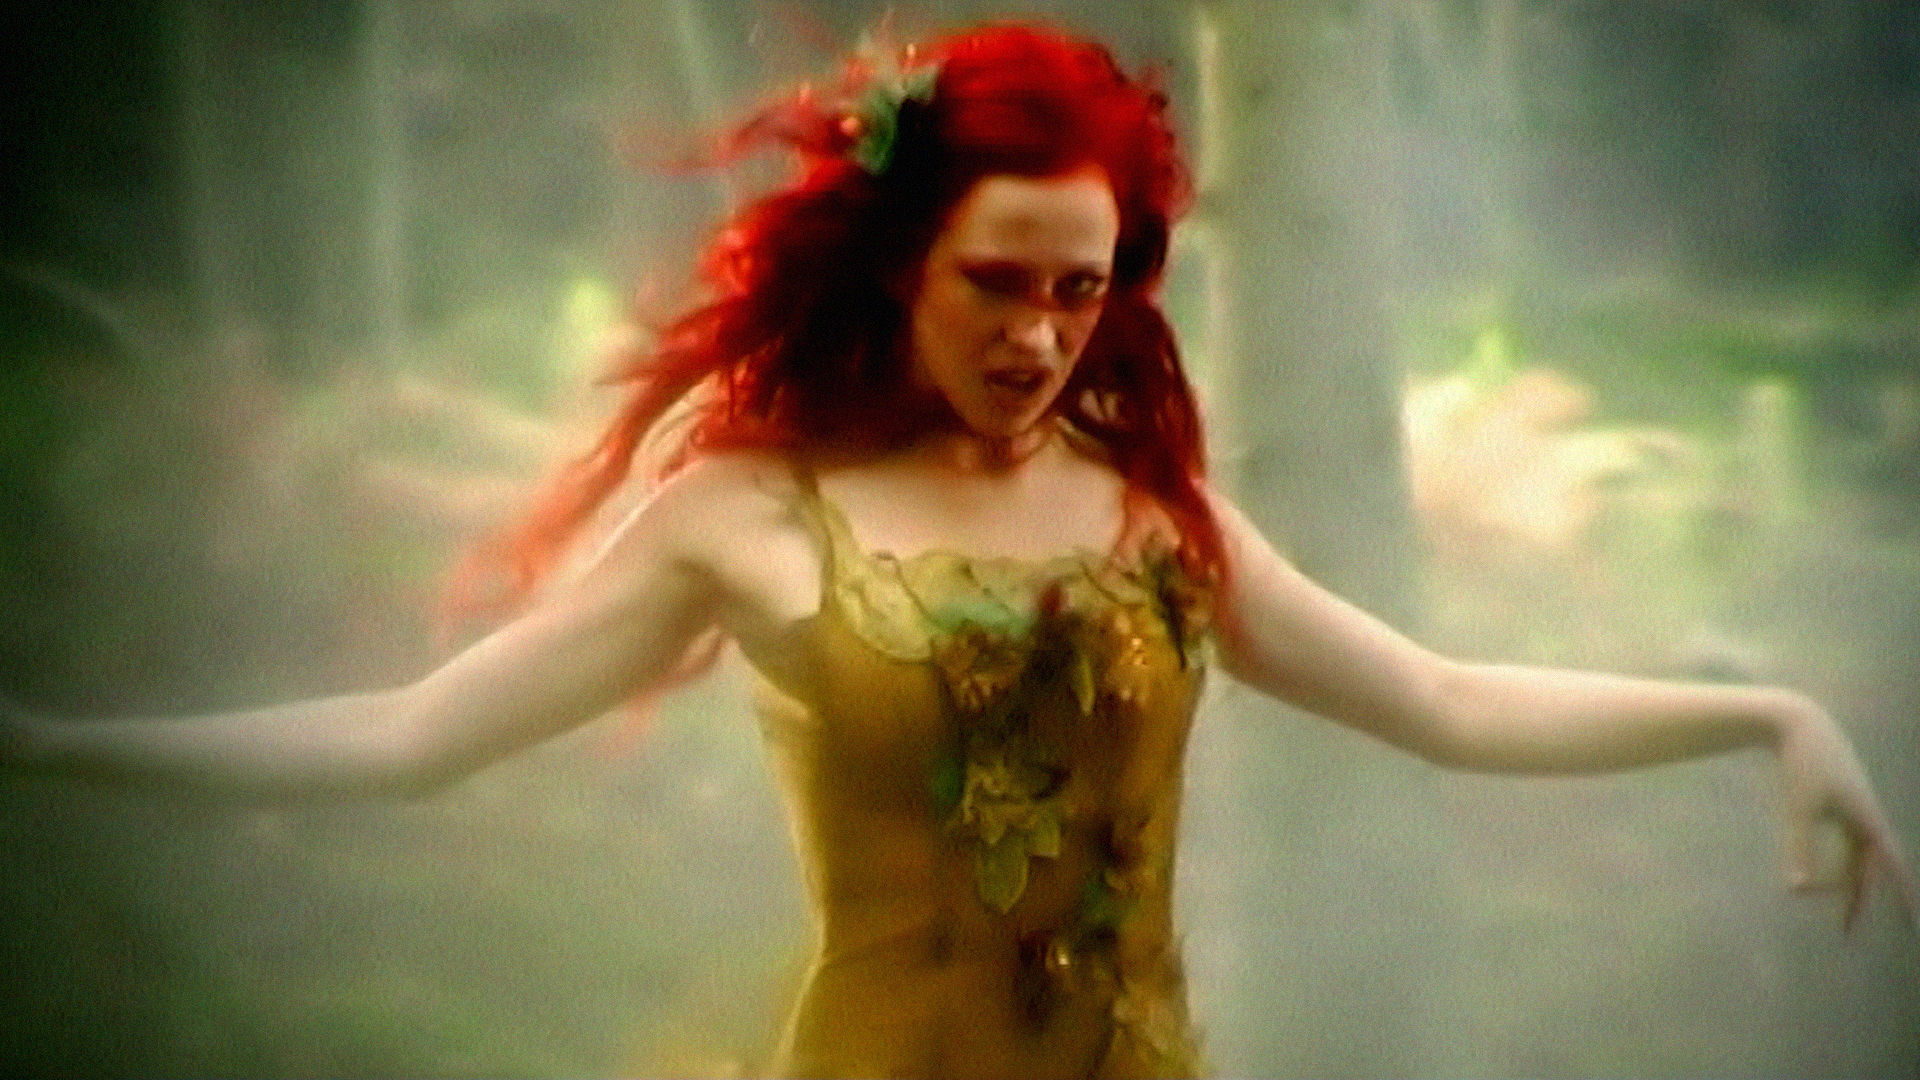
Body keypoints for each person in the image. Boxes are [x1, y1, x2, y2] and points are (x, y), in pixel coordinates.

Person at [3, 24, 1912, 1080]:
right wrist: (57, 746)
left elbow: (1442, 698)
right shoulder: (752, 514)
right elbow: (418, 735)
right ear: (899, 263)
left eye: (1081, 292)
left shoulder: (1149, 513)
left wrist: (1768, 719)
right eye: (999, 282)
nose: (1040, 333)